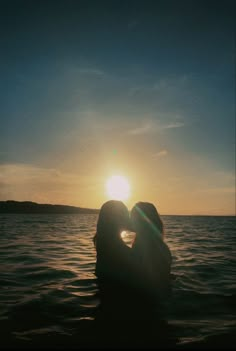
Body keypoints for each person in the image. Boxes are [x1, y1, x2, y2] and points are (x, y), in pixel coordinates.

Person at [130, 202, 172, 308]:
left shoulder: (143, 248)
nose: (129, 221)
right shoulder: (162, 246)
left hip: (147, 303)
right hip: (161, 300)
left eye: (133, 217)